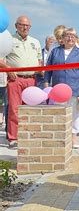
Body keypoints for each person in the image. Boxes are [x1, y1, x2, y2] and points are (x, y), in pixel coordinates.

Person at [44, 28, 79, 149]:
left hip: (75, 87)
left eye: (73, 36)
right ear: (63, 38)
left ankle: (74, 136)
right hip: (58, 87)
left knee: (75, 113)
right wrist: (46, 83)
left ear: (76, 39)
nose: (70, 38)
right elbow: (48, 68)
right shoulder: (55, 51)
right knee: (59, 112)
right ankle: (60, 136)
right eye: (67, 35)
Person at [5, 16, 42, 148]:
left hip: (31, 80)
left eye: (27, 25)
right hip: (15, 79)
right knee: (14, 109)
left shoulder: (35, 42)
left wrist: (41, 69)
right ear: (16, 25)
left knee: (29, 110)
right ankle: (13, 138)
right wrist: (8, 69)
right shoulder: (8, 40)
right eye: (22, 25)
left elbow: (39, 59)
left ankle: (27, 136)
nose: (25, 28)